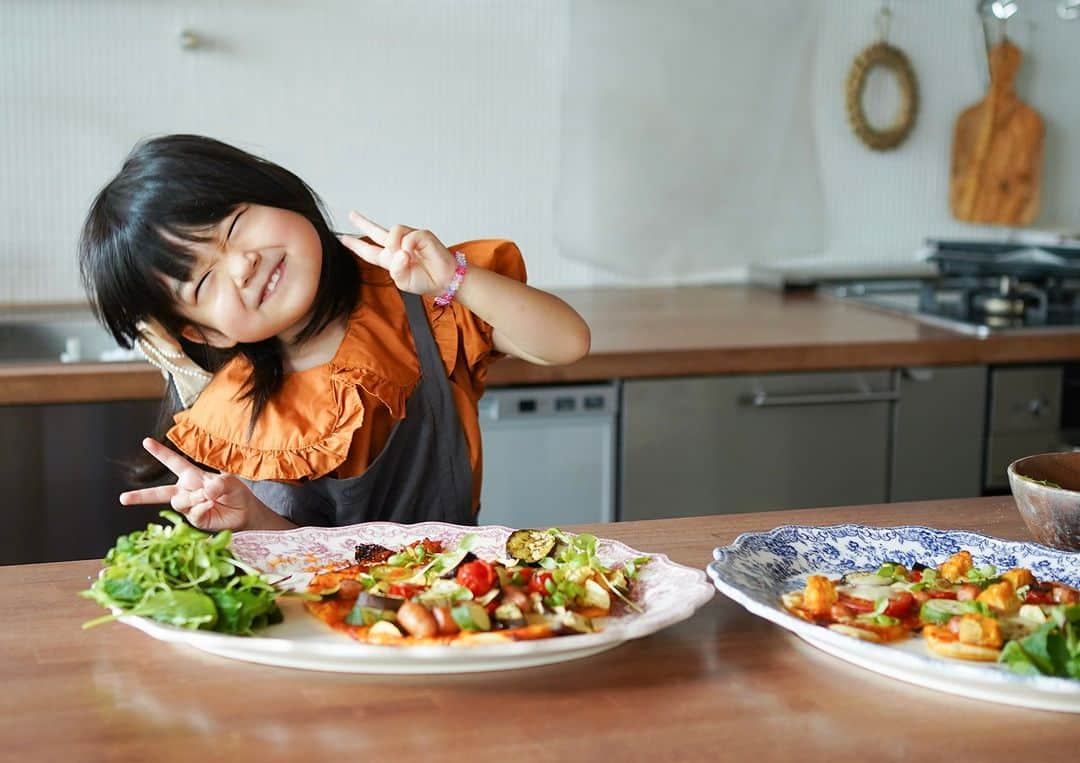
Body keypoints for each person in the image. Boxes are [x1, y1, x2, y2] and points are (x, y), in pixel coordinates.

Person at [78, 134, 590, 532]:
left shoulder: (417, 303)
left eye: (234, 228)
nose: (243, 267)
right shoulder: (232, 414)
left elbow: (568, 343)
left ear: (277, 194)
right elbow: (304, 564)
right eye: (206, 281)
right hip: (315, 631)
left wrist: (456, 280)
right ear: (204, 333)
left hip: (453, 607)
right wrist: (252, 519)